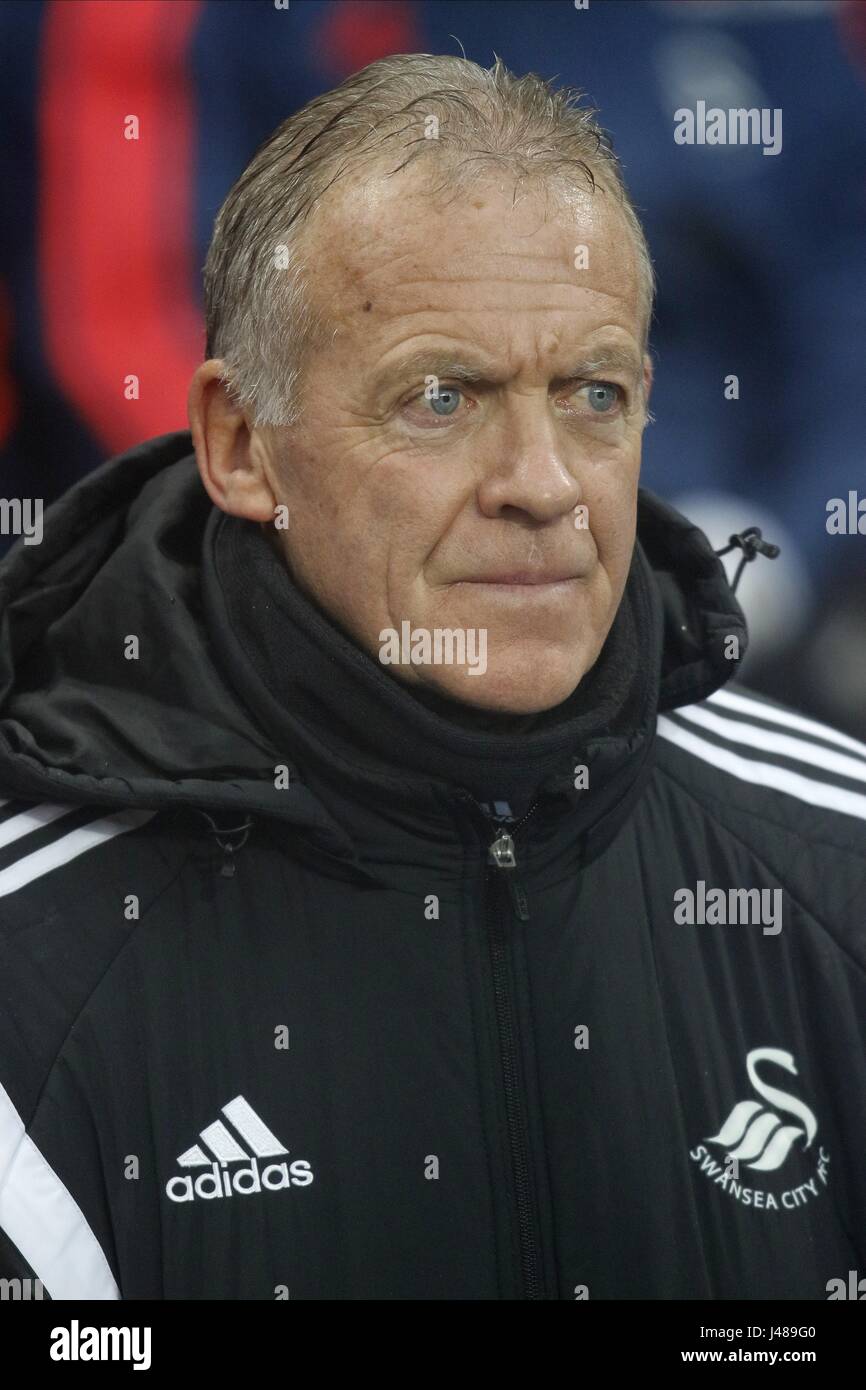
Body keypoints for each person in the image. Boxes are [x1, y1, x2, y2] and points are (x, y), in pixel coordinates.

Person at [0, 53, 863, 1301]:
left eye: (593, 395)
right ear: (242, 446)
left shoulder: (833, 876)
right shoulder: (36, 975)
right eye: (442, 397)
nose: (543, 482)